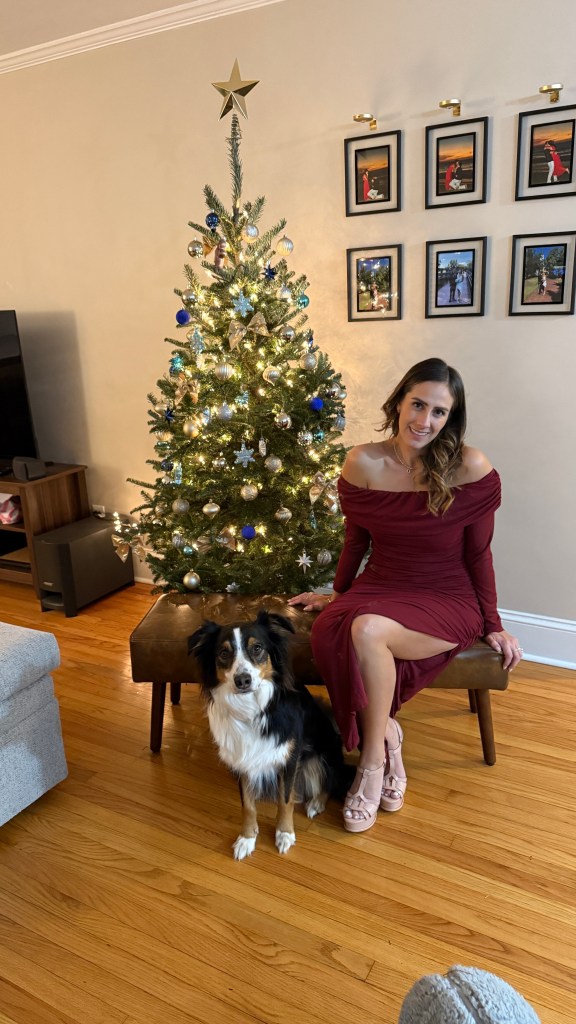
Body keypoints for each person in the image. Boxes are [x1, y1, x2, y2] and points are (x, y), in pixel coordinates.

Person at [288, 358, 522, 834]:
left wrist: (493, 622)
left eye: (439, 412)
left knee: (367, 628)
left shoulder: (469, 465)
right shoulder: (363, 462)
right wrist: (338, 594)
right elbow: (356, 541)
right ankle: (387, 737)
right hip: (381, 584)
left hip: (447, 596)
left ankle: (371, 764)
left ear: (450, 419)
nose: (425, 421)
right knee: (352, 624)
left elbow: (479, 555)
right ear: (398, 402)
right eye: (417, 404)